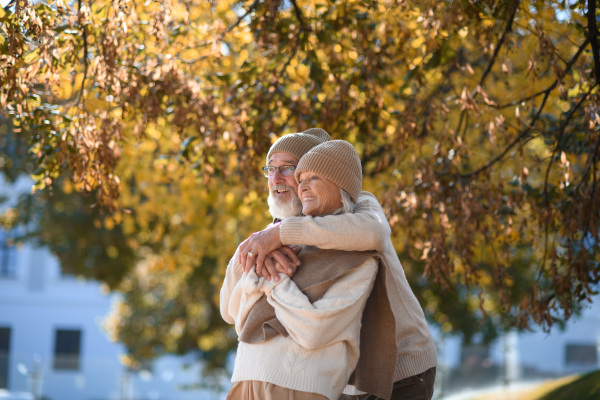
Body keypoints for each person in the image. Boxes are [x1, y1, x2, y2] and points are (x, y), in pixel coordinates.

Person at [233, 128, 437, 400]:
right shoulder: (286, 229)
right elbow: (232, 308)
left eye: (288, 168)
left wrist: (279, 235)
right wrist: (257, 252)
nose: (276, 178)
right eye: (270, 169)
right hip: (343, 380)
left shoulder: (359, 206)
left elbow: (373, 233)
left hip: (400, 370)